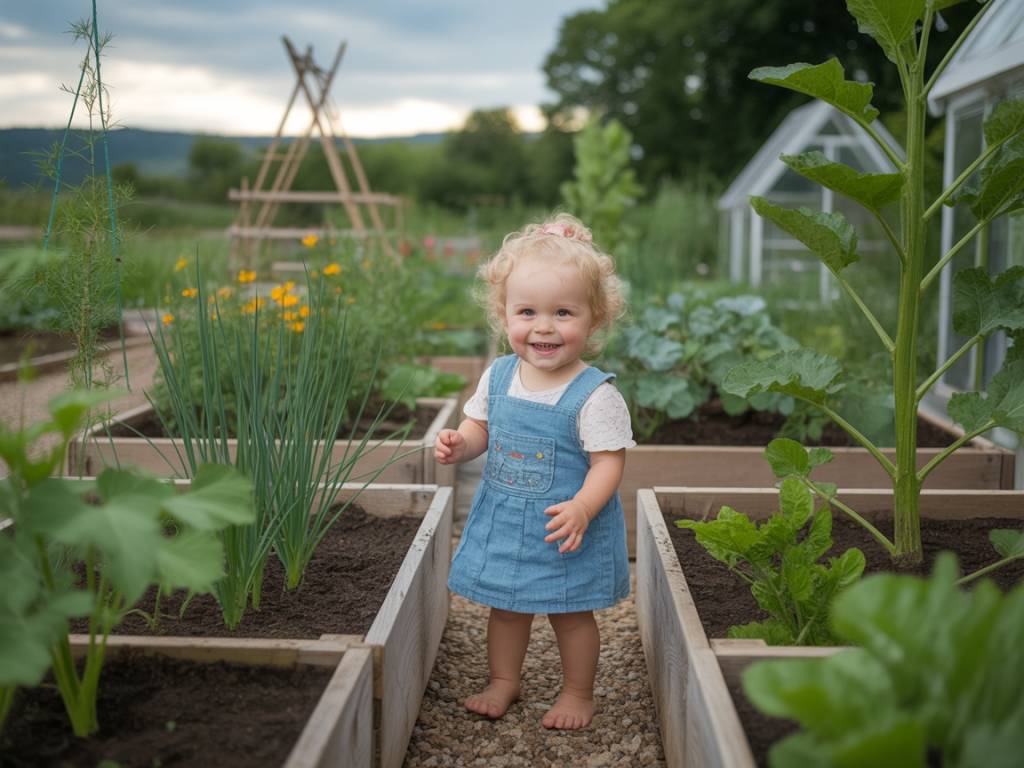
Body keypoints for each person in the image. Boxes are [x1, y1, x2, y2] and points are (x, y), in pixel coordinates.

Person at [434, 213, 635, 730]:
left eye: (563, 312)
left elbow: (608, 462)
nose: (544, 326)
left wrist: (584, 506)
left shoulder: (595, 395)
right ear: (503, 316)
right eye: (527, 311)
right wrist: (462, 444)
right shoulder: (500, 375)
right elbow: (481, 427)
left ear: (595, 319)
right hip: (507, 522)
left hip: (564, 525)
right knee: (505, 608)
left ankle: (577, 692)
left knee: (571, 614)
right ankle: (503, 681)